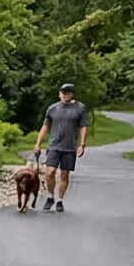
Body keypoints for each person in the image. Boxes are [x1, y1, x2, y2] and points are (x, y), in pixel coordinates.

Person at [31, 83, 91, 212]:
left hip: (69, 147)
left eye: (68, 93)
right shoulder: (52, 109)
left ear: (72, 94)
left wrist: (82, 144)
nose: (65, 95)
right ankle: (50, 196)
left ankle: (60, 200)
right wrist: (38, 143)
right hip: (54, 146)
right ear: (59, 94)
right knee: (50, 172)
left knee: (64, 175)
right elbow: (45, 127)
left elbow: (83, 127)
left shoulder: (80, 108)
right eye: (63, 93)